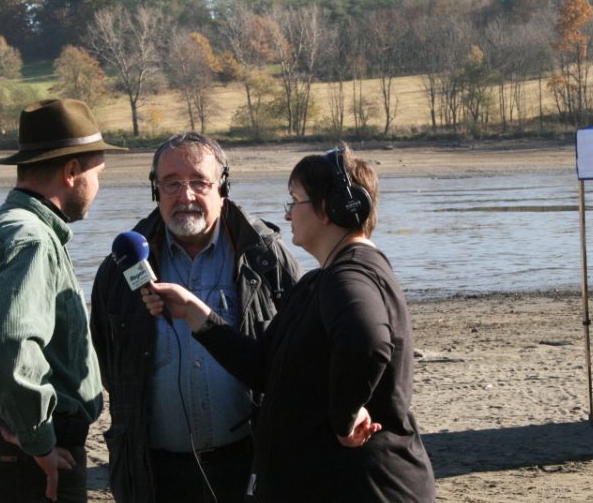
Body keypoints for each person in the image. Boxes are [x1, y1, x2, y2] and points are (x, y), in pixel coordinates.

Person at [142, 145, 436, 502]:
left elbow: (367, 341)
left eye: (295, 200)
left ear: (328, 209)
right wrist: (193, 312)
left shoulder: (350, 276)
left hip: (363, 487)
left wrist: (344, 417)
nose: (287, 215)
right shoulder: (321, 281)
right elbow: (264, 368)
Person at [0, 98, 125, 503]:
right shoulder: (30, 239)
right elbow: (7, 344)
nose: (99, 186)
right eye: (97, 173)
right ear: (71, 172)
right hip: (29, 463)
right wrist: (36, 437)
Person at [90, 132, 301, 503]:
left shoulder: (265, 258)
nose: (185, 196)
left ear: (223, 187)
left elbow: (299, 356)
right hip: (154, 474)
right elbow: (110, 364)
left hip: (251, 466)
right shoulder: (120, 269)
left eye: (199, 182)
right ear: (156, 190)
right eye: (172, 183)